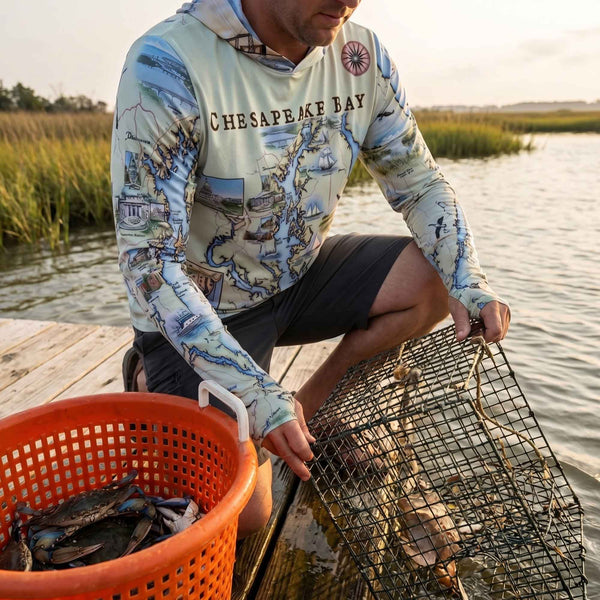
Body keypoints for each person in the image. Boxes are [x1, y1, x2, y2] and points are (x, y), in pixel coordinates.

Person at [111, 0, 510, 538]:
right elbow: (150, 263)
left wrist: (469, 278)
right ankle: (148, 374)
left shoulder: (359, 55)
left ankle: (310, 411)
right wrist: (254, 393)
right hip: (205, 307)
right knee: (248, 516)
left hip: (299, 277)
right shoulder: (167, 62)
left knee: (435, 279)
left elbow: (419, 183)